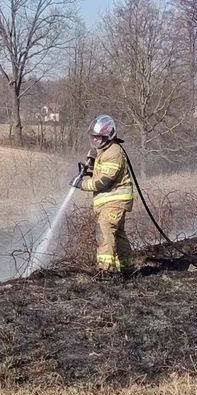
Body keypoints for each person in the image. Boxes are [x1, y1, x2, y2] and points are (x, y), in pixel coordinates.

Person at [72, 114, 137, 279]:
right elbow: (103, 172)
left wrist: (82, 184)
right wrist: (92, 166)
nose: (96, 140)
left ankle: (105, 271)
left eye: (99, 137)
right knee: (119, 234)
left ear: (109, 135)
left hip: (114, 201)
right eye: (94, 137)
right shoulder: (105, 152)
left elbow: (104, 182)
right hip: (112, 202)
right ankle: (128, 268)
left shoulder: (114, 153)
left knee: (104, 230)